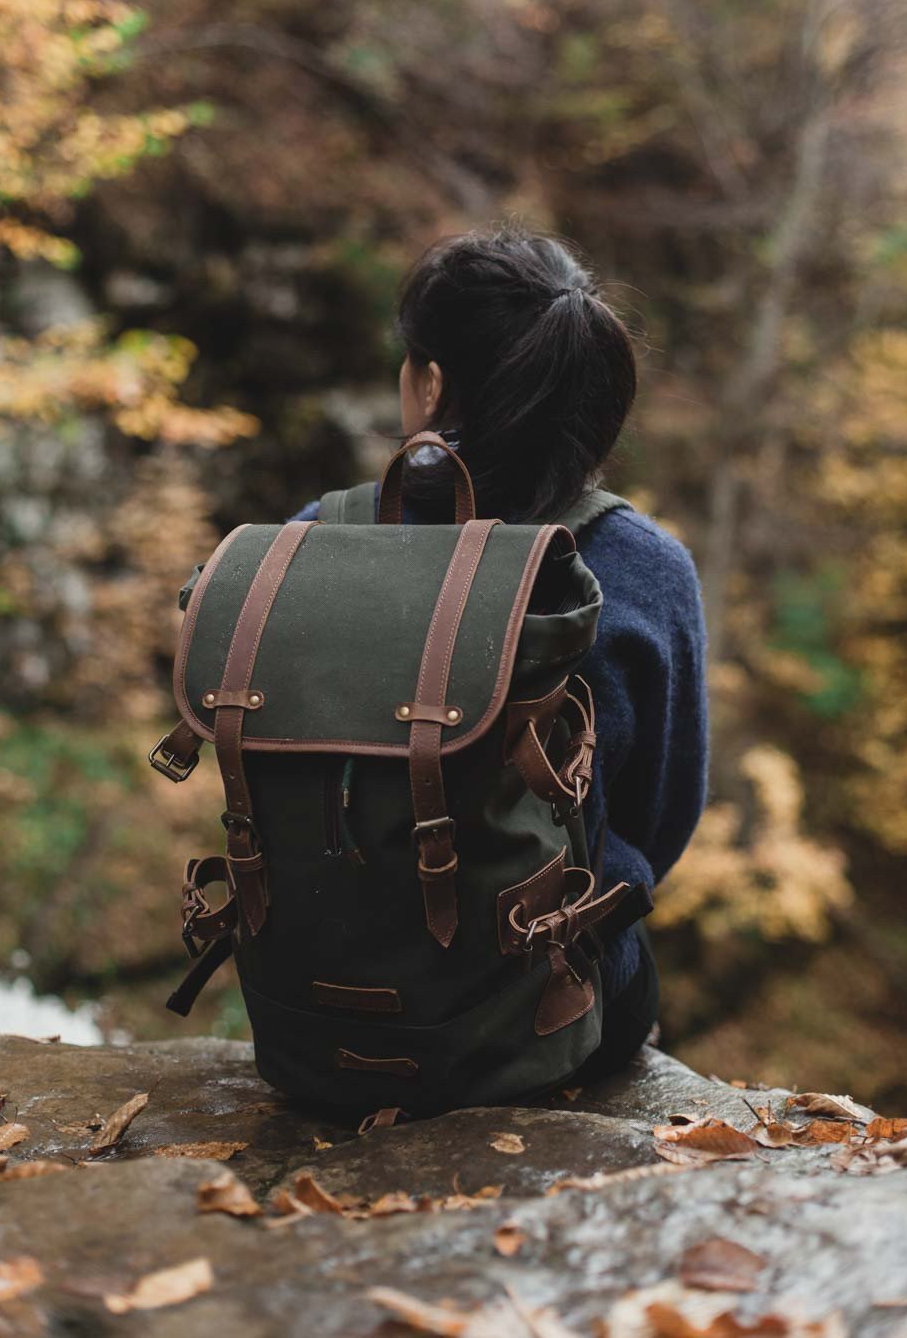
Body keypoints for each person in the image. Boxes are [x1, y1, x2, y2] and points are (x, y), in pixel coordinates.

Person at [291, 226, 708, 1082]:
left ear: (432, 384)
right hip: (550, 1012)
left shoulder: (307, 544)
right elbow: (661, 822)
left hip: (312, 1000)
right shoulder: (645, 568)